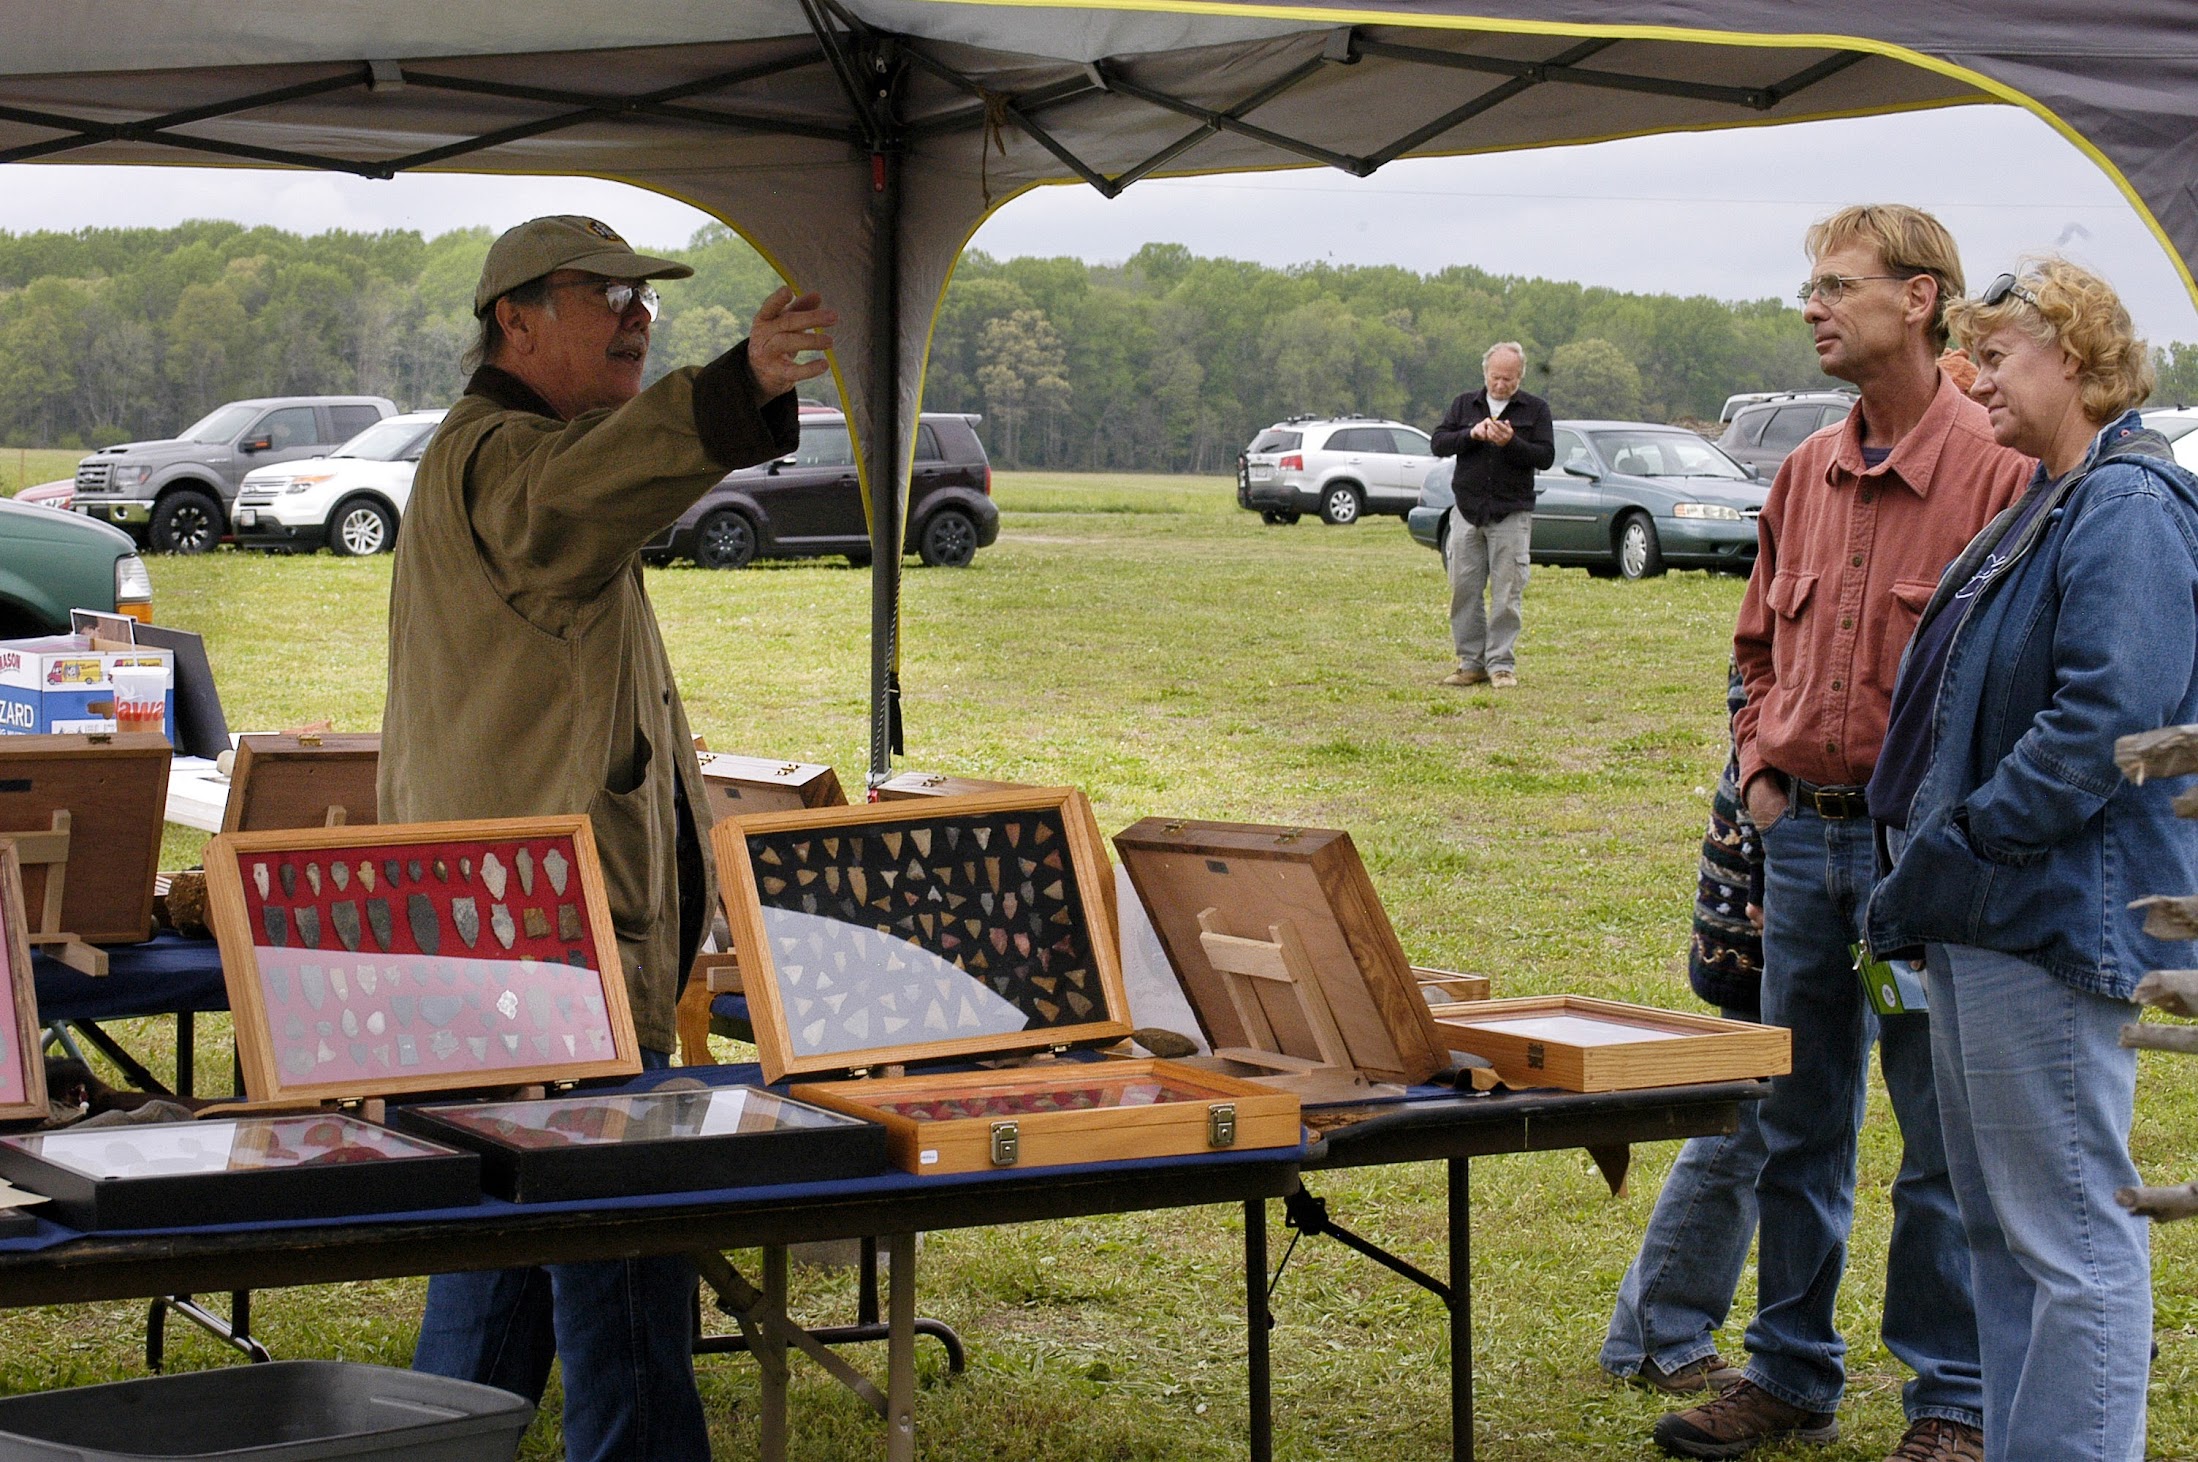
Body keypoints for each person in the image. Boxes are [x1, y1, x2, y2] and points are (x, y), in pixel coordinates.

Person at [379, 214, 835, 1462]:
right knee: (624, 1278)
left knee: (506, 1265)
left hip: (510, 947)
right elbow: (580, 493)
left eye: (644, 294)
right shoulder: (503, 462)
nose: (637, 314)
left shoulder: (499, 452)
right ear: (513, 321)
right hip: (551, 959)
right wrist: (738, 385)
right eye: (603, 295)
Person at [1654, 204, 2032, 1462]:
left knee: (1938, 1142)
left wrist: (1952, 832)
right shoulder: (1802, 470)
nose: (1810, 305)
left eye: (1835, 284)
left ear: (1919, 299)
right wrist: (1762, 771)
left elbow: (2032, 675)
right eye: (1805, 285)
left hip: (1929, 865)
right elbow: (1754, 643)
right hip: (1802, 850)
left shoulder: (2001, 468)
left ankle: (1950, 1403)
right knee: (1794, 1121)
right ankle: (1788, 1373)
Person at [1864, 258, 2198, 1462]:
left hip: (2047, 917)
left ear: (2074, 355)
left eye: (1995, 356)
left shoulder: (2126, 505)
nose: (1973, 377)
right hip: (1988, 913)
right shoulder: (2051, 497)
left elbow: (2107, 724)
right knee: (2002, 1232)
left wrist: (1967, 843)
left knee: (2068, 1236)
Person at [1601, 663, 1763, 1395]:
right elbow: (1754, 684)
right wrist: (1767, 848)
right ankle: (1657, 1329)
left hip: (1915, 859)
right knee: (1754, 1110)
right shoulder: (1803, 543)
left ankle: (2053, 1336)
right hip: (1776, 871)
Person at [1430, 341, 1554, 690]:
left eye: (1510, 380)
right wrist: (1471, 434)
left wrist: (1510, 442)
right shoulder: (1463, 404)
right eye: (1496, 378)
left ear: (1520, 377)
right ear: (1485, 373)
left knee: (1507, 593)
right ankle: (1471, 663)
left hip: (1510, 513)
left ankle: (1501, 665)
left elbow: (1545, 456)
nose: (1502, 385)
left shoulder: (1536, 409)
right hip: (1467, 510)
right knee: (1464, 588)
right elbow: (1438, 442)